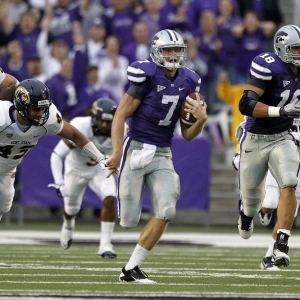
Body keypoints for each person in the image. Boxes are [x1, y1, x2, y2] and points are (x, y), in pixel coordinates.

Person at [106, 29, 207, 283]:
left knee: (167, 210)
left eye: (177, 50)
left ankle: (131, 269)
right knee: (128, 220)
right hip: (136, 148)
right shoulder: (146, 76)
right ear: (156, 52)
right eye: (167, 50)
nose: (173, 55)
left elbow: (188, 134)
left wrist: (201, 121)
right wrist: (117, 151)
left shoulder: (189, 81)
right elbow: (120, 114)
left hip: (162, 152)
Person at [237, 24, 300, 268]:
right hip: (255, 137)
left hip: (283, 136)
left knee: (289, 183)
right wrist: (280, 110)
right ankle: (246, 214)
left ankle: (281, 243)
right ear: (281, 48)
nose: (298, 53)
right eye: (295, 49)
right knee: (252, 200)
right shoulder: (267, 65)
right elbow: (245, 103)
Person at [0, 78, 106, 221]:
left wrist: (99, 157)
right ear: (21, 105)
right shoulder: (3, 116)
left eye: (43, 109)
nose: (41, 113)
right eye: (36, 109)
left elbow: (75, 135)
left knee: (4, 204)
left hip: (6, 171)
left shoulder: (49, 118)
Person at [49, 97, 119, 258]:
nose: (104, 125)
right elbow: (56, 155)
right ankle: (68, 225)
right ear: (94, 118)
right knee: (72, 209)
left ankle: (105, 245)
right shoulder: (80, 125)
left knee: (110, 198)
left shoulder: (120, 129)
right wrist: (59, 181)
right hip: (75, 169)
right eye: (101, 121)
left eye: (108, 122)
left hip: (100, 169)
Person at [233, 118, 300, 270]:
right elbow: (248, 126)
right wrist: (239, 152)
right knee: (269, 203)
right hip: (276, 151)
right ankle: (249, 209)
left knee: (288, 214)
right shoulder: (273, 97)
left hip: (296, 158)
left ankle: (271, 254)